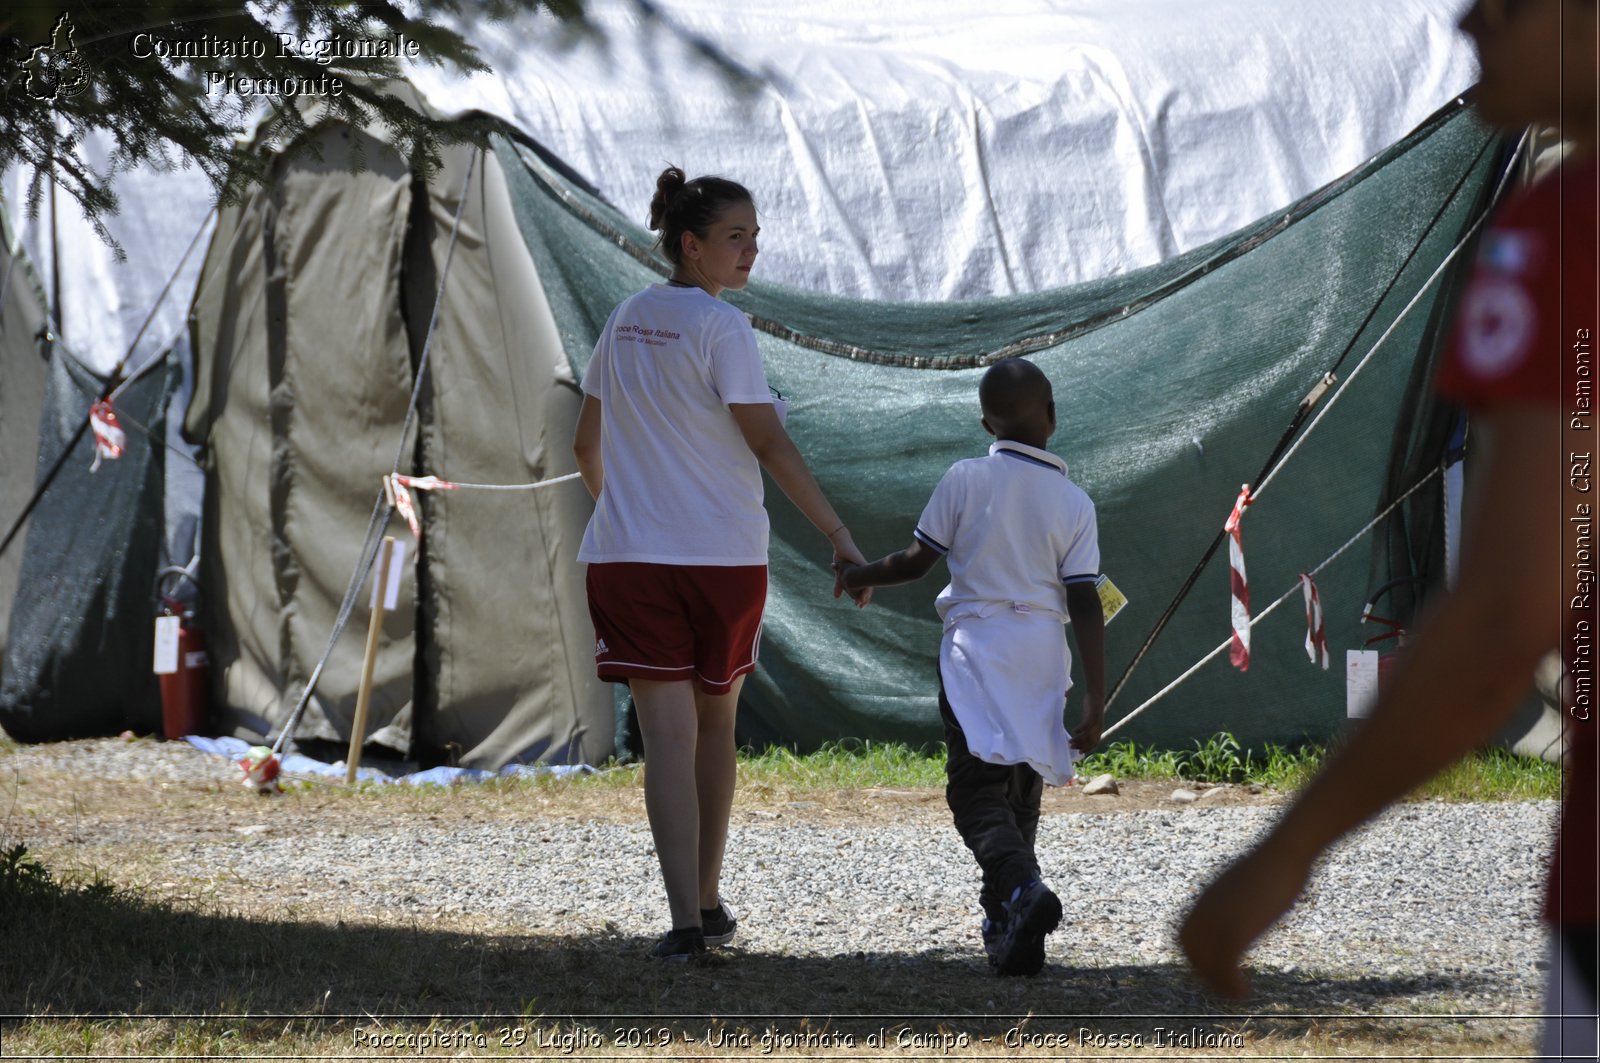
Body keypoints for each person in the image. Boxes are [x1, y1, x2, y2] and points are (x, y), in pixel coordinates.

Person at [1179, 1, 1597, 1056]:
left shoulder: (1568, 224)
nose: (1465, 21)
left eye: (1505, 3)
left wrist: (1284, 852)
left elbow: (1505, 613)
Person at [573, 166, 871, 962]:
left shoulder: (623, 320)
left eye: (755, 235)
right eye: (736, 236)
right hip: (723, 560)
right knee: (715, 725)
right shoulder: (722, 328)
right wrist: (839, 533)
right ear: (691, 243)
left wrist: (625, 511)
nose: (751, 250)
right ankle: (704, 904)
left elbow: (584, 447)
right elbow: (768, 442)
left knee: (666, 735)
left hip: (629, 558)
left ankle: (683, 922)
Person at [834, 358, 1106, 976]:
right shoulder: (1075, 503)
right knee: (1023, 780)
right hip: (1042, 650)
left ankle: (1019, 892)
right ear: (1054, 419)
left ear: (985, 421)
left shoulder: (964, 478)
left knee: (975, 785)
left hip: (977, 651)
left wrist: (857, 575)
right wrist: (1096, 697)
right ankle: (1011, 919)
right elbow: (1087, 600)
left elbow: (913, 562)